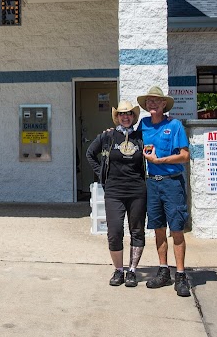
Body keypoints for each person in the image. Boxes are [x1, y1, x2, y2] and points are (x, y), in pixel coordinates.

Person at [137, 86, 192, 297]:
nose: (152, 104)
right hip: (152, 183)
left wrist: (161, 160)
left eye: (156, 101)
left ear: (163, 105)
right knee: (158, 228)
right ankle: (163, 271)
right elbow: (129, 139)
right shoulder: (144, 125)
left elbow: (185, 156)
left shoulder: (175, 125)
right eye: (149, 101)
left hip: (172, 183)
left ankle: (180, 274)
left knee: (176, 229)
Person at [86, 100, 147, 288]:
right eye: (122, 114)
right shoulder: (107, 137)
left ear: (134, 117)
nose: (126, 117)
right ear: (117, 117)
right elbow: (90, 153)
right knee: (114, 232)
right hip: (113, 191)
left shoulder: (141, 136)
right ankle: (119, 270)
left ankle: (132, 271)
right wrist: (101, 173)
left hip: (137, 190)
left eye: (129, 113)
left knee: (137, 231)